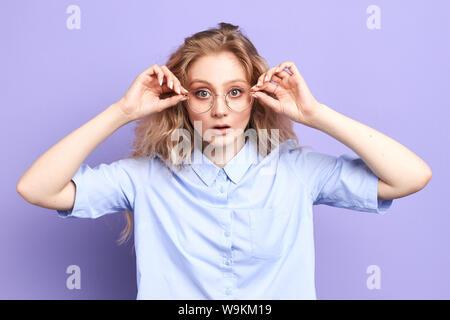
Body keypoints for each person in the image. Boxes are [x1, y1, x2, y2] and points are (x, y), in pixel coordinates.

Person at [16, 22, 432, 300]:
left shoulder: (298, 170)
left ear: (255, 97)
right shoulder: (142, 178)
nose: (219, 109)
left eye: (235, 91)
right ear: (181, 98)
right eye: (202, 92)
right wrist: (121, 112)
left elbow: (411, 176)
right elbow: (36, 188)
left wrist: (315, 114)